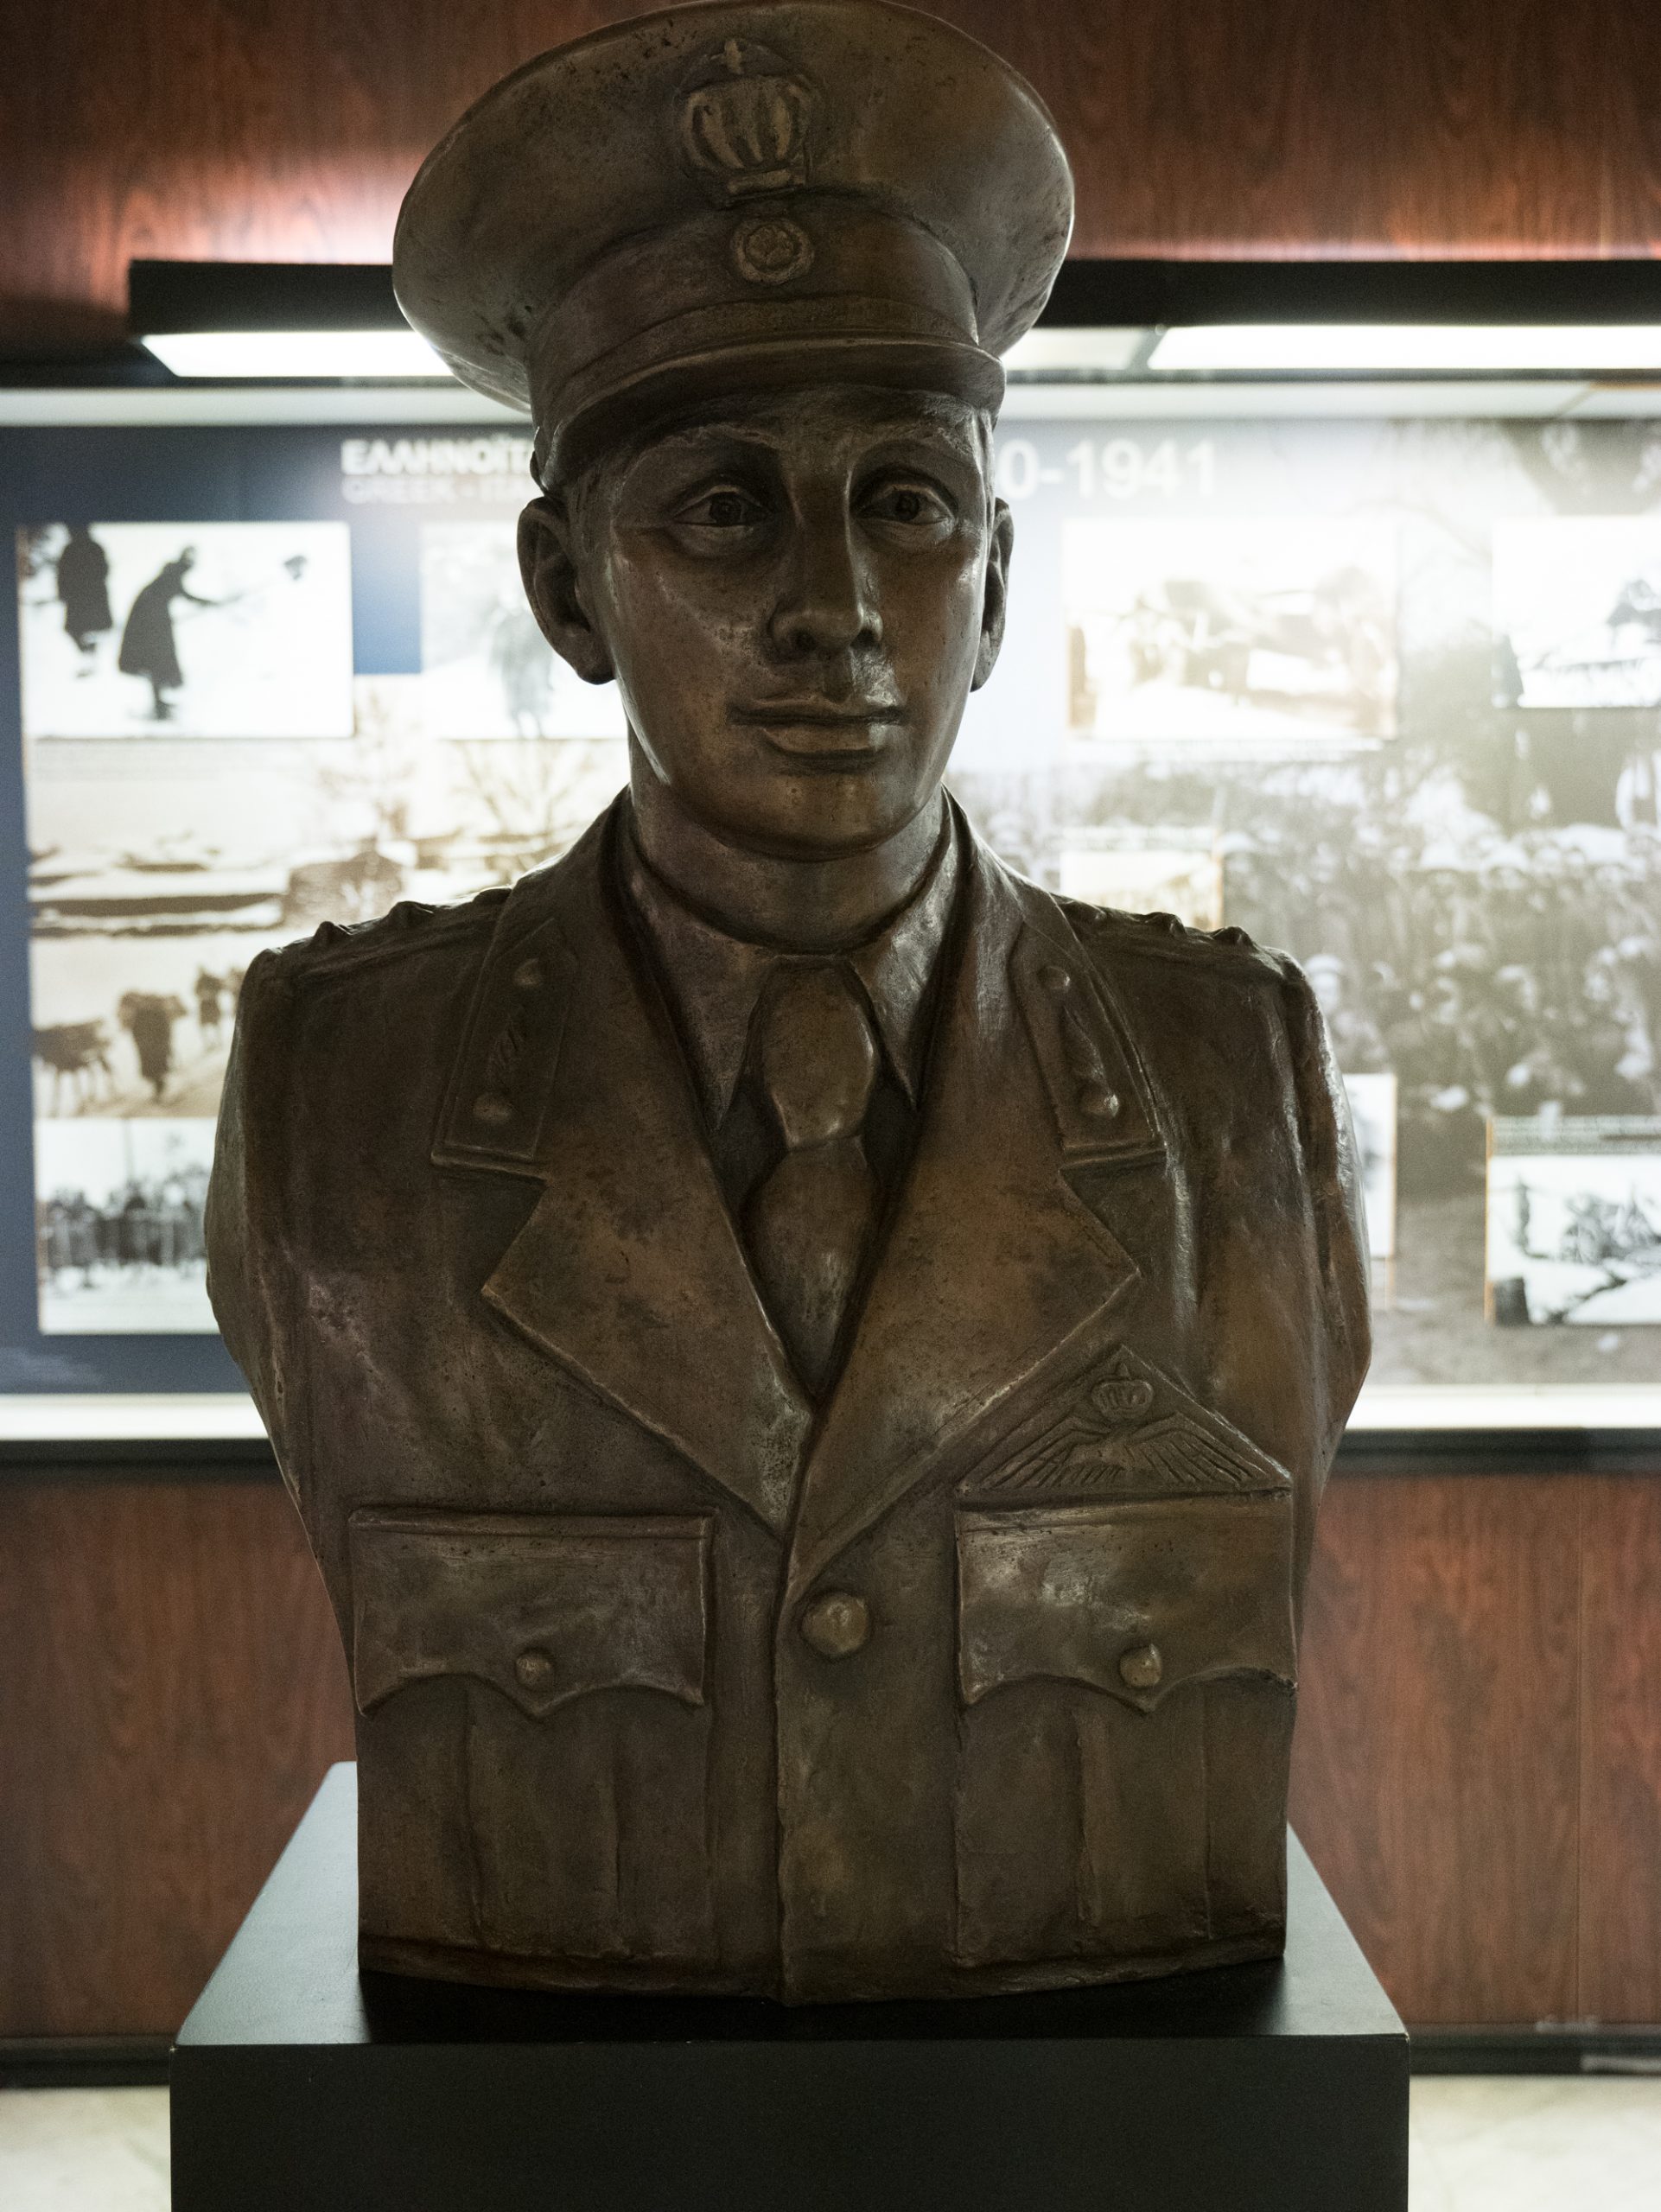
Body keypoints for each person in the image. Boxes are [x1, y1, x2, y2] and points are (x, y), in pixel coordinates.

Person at [207, 3, 1368, 2005]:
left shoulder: (1222, 1080)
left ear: (992, 582)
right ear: (568, 591)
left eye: (905, 502)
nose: (828, 597)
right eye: (722, 510)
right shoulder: (345, 1087)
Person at [117, 547, 217, 721]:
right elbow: (182, 596)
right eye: (190, 562)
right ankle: (158, 708)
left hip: (154, 621)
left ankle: (159, 703)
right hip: (149, 624)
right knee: (155, 662)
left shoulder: (172, 573)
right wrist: (207, 603)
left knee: (156, 663)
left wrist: (207, 603)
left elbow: (179, 595)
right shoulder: (173, 574)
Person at [55, 525, 113, 671]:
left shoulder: (71, 549)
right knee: (81, 628)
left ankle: (89, 655)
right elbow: (105, 569)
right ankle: (89, 654)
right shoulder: (93, 547)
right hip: (88, 596)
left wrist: (64, 592)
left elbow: (62, 575)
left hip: (82, 596)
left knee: (78, 628)